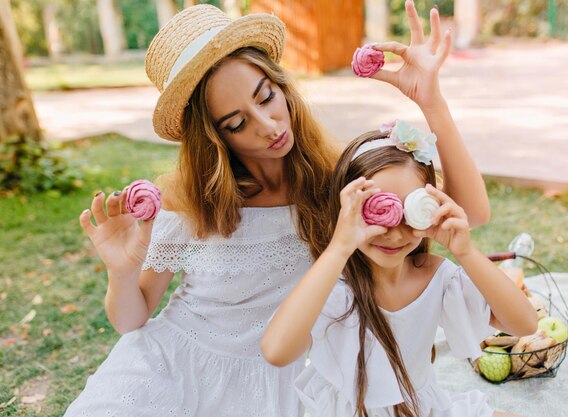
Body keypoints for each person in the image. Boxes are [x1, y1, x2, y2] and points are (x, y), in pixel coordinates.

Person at [65, 2, 489, 416]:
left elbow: (470, 213)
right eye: (236, 123)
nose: (268, 126)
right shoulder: (185, 199)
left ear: (281, 86)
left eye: (265, 97)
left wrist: (432, 104)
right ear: (213, 137)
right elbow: (130, 320)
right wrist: (122, 271)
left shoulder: (334, 180)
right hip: (173, 363)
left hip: (285, 376)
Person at [261, 126, 538, 417]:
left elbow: (524, 324)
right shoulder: (336, 286)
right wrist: (339, 248)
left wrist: (465, 252)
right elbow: (277, 351)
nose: (393, 234)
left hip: (419, 408)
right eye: (376, 211)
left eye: (409, 214)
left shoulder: (435, 277)